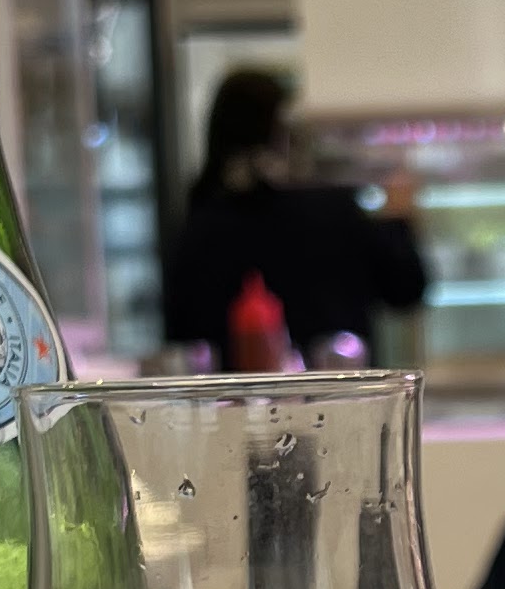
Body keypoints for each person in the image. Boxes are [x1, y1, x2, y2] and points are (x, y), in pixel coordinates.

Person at [161, 64, 428, 365]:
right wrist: (398, 220)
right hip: (334, 391)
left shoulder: (201, 224)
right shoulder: (329, 209)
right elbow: (405, 289)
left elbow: (181, 335)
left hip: (234, 394)